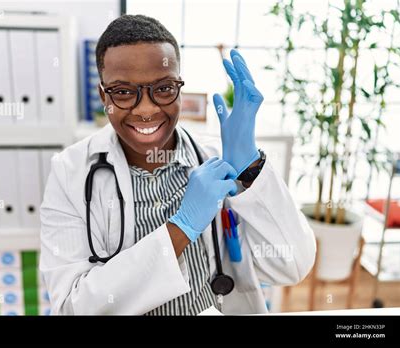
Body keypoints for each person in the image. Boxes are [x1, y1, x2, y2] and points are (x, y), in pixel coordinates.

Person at [40, 14, 316, 315]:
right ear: (102, 95)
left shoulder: (218, 161)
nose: (146, 109)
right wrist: (182, 227)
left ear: (179, 89)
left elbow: (292, 265)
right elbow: (70, 308)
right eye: (122, 92)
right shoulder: (70, 173)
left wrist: (250, 167)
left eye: (164, 88)